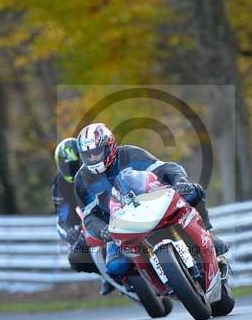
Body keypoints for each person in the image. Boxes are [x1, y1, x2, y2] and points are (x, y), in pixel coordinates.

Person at [74, 122, 229, 294]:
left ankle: (208, 234)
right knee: (116, 267)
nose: (93, 158)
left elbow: (166, 168)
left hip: (151, 202)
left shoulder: (129, 154)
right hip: (118, 224)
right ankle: (148, 283)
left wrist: (180, 182)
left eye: (97, 152)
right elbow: (88, 216)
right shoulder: (82, 180)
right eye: (87, 155)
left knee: (193, 192)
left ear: (109, 146)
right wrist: (103, 230)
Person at [51, 137, 98, 275]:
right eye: (67, 165)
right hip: (84, 225)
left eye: (75, 163)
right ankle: (105, 276)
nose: (71, 168)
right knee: (76, 259)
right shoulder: (58, 186)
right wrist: (71, 230)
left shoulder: (95, 170)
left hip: (107, 213)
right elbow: (63, 215)